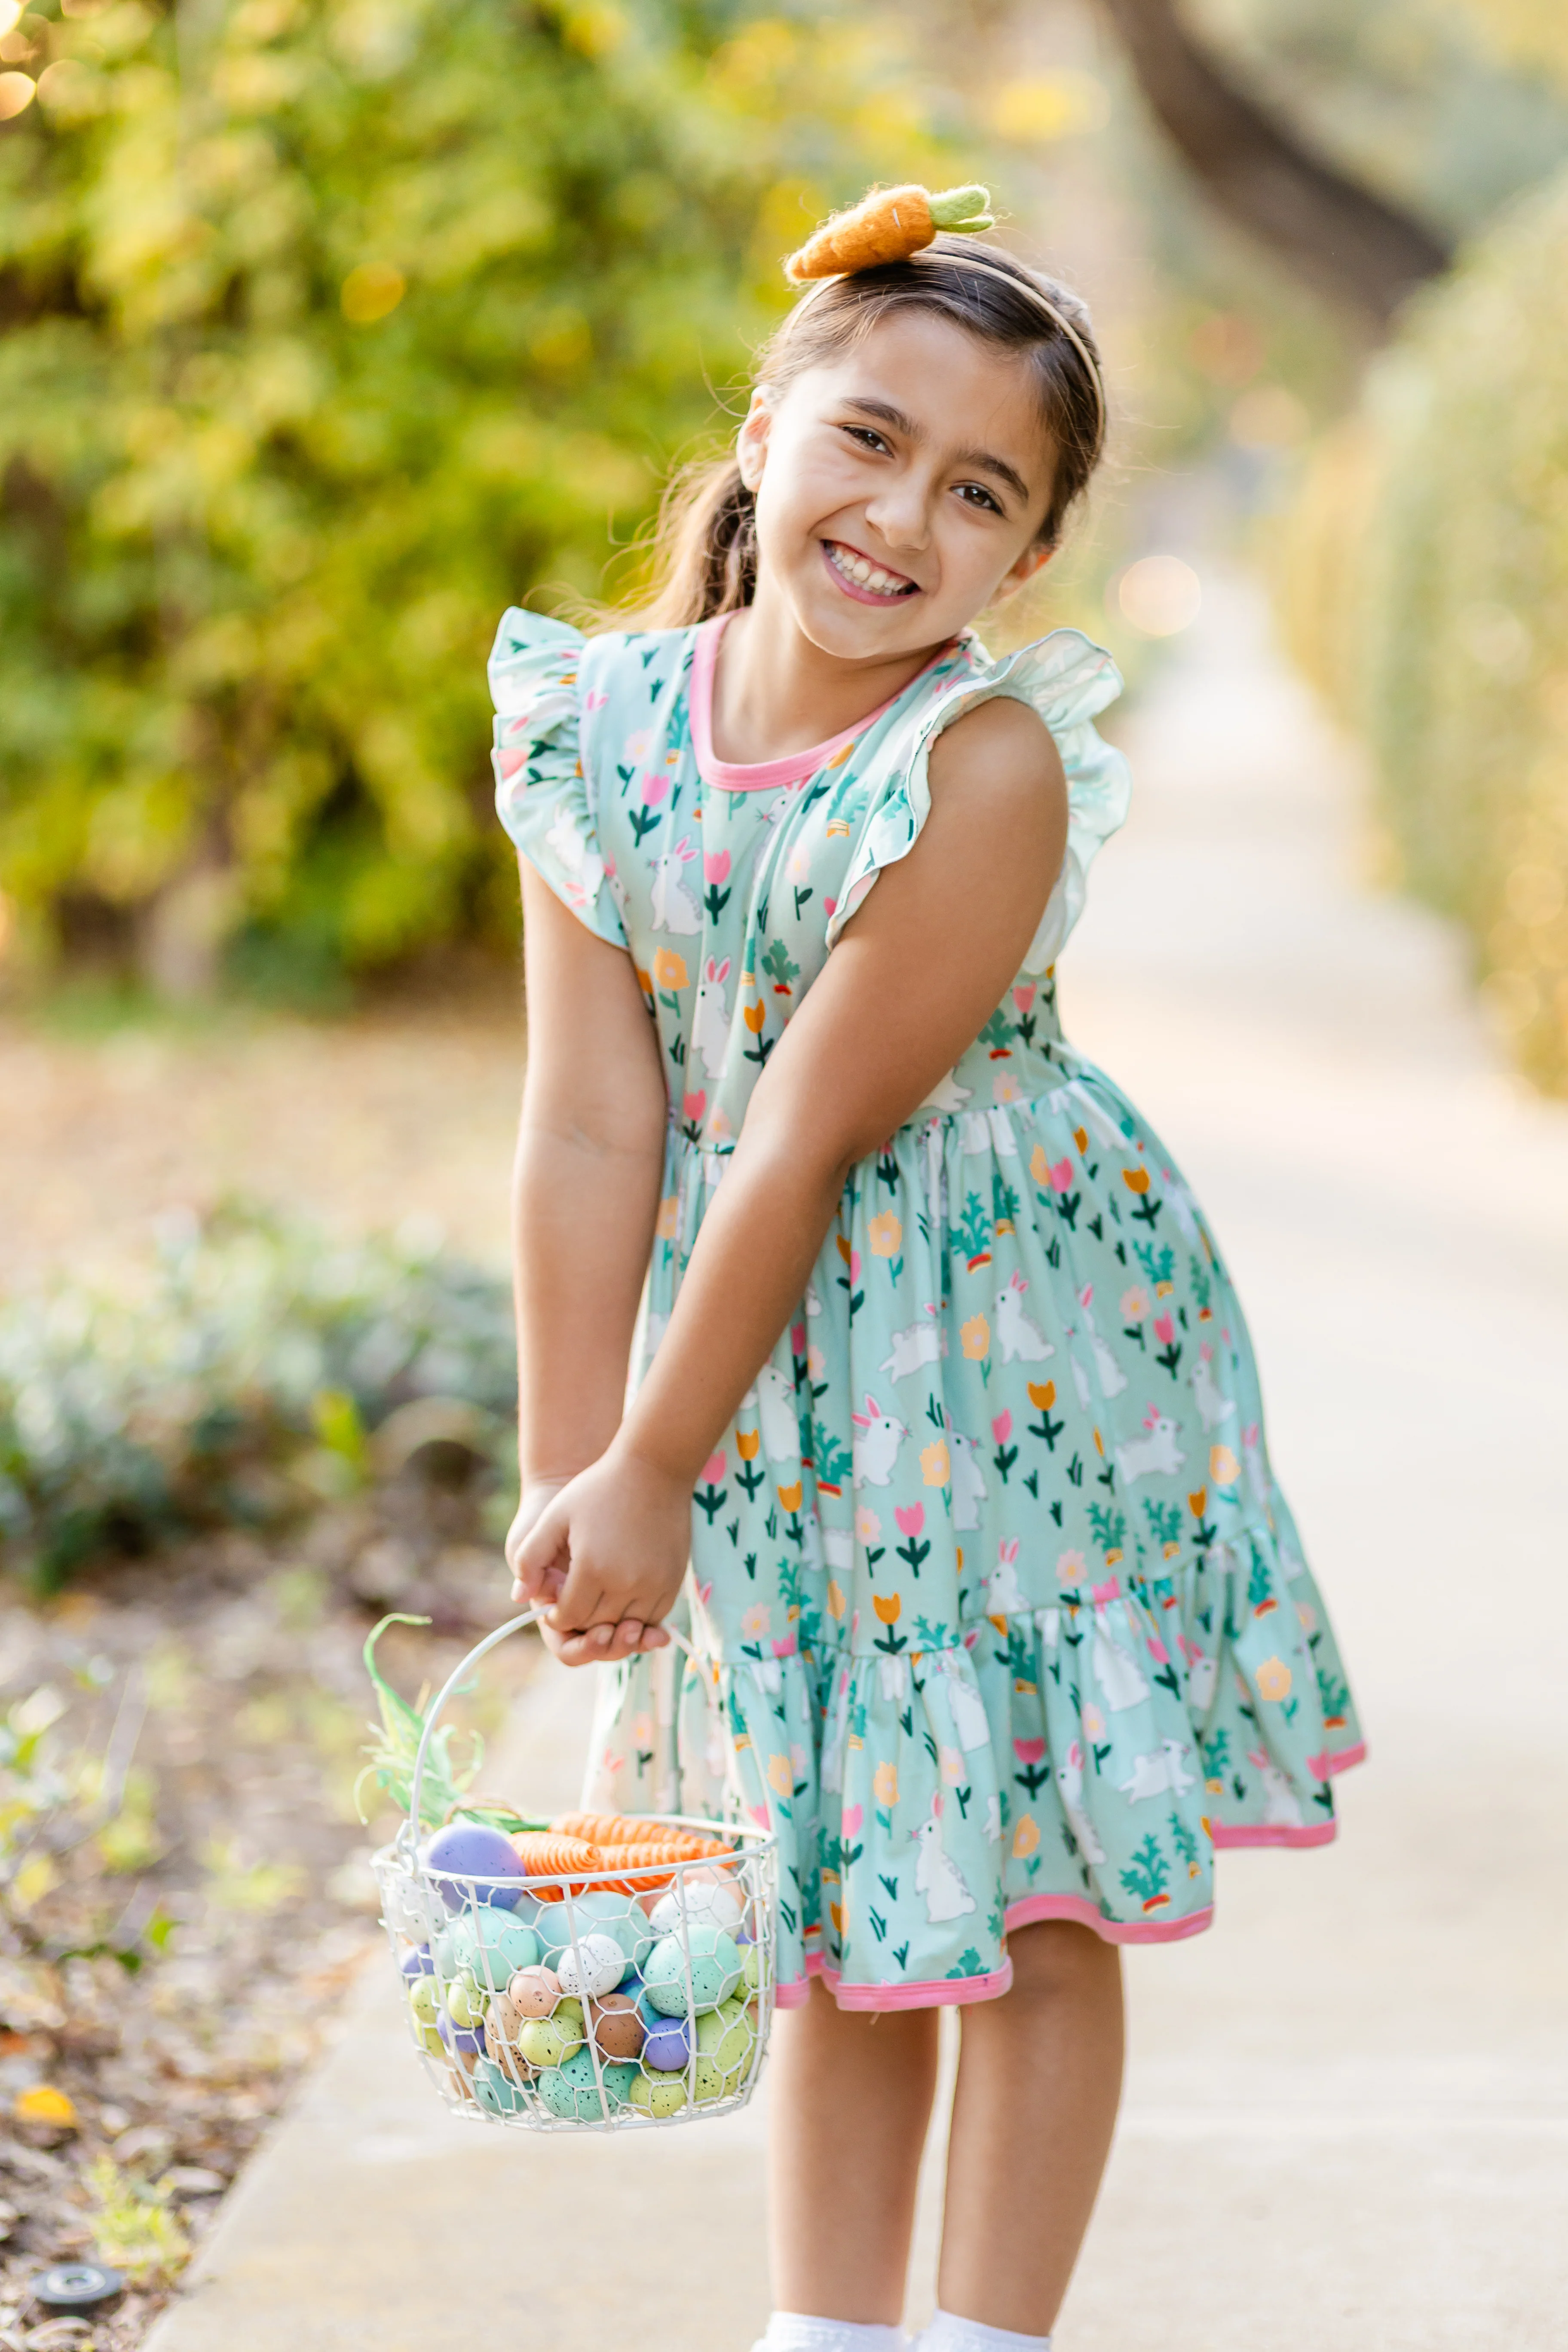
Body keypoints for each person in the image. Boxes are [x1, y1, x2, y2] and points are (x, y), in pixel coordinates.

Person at [495, 186, 1364, 2352]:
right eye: (867, 439)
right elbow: (596, 1121)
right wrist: (579, 1477)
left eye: (979, 492)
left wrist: (659, 1457)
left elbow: (796, 1134)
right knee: (838, 1871)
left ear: (1030, 555)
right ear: (772, 425)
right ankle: (828, 2339)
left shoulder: (979, 770)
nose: (902, 516)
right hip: (760, 1370)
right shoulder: (595, 728)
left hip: (1003, 1365)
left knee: (1023, 1866)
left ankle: (978, 2342)